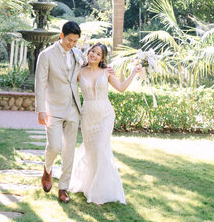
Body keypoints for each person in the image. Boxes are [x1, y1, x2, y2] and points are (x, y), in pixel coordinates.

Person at [69, 42, 143, 205]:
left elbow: (121, 88)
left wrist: (133, 73)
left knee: (101, 149)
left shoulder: (107, 72)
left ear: (102, 58)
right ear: (88, 52)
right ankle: (88, 185)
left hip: (105, 115)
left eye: (98, 54)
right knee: (91, 151)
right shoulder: (79, 72)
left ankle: (100, 191)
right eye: (92, 51)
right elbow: (67, 86)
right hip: (88, 114)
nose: (94, 55)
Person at [34, 21, 83, 204]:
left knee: (69, 150)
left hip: (73, 108)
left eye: (75, 41)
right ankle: (47, 169)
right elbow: (39, 83)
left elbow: (83, 73)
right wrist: (40, 110)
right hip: (53, 108)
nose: (72, 44)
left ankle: (63, 188)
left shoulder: (78, 54)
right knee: (54, 146)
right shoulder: (46, 55)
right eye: (70, 40)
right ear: (61, 35)